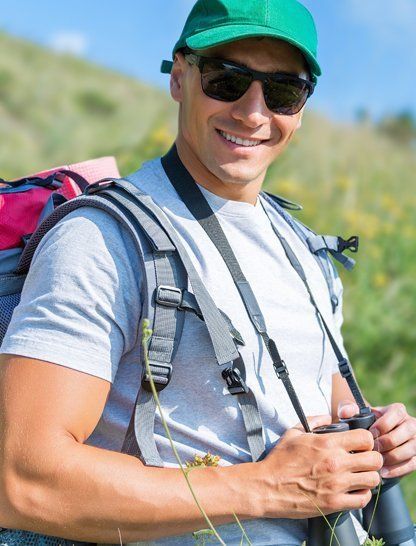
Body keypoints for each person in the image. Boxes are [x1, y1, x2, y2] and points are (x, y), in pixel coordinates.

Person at [0, 1, 415, 545]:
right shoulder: (102, 241)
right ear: (179, 77)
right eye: (227, 80)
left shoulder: (304, 247)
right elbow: (24, 481)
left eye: (283, 91)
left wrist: (374, 436)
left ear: (304, 105)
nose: (253, 112)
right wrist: (268, 488)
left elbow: (323, 398)